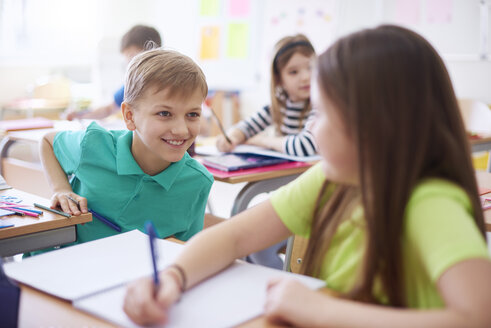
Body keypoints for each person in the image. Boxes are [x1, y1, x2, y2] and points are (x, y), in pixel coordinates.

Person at [123, 25, 491, 327]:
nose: (311, 128)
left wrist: (320, 310)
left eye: (321, 113)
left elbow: (477, 316)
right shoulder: (332, 181)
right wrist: (173, 278)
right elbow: (232, 237)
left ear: (375, 124)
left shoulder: (429, 201)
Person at [38, 49, 212, 251]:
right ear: (129, 116)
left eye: (192, 114)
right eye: (164, 113)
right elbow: (47, 142)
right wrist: (61, 189)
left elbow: (185, 252)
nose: (181, 130)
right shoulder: (93, 144)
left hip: (129, 278)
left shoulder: (198, 182)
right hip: (56, 267)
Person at [216, 34, 317, 157]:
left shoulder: (323, 107)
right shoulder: (278, 107)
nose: (306, 77)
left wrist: (261, 141)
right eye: (293, 72)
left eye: (311, 67)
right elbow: (247, 127)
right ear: (279, 79)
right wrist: (232, 138)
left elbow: (304, 147)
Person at [64, 25, 162, 121]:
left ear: (153, 52)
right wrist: (80, 114)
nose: (129, 64)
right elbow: (109, 109)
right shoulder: (132, 85)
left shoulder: (164, 81)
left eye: (131, 56)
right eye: (127, 59)